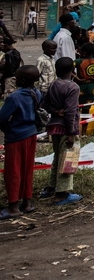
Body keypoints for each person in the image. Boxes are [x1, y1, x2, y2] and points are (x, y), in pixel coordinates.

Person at [0, 65, 42, 220]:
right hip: (31, 134)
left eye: (17, 77)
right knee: (27, 169)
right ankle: (27, 202)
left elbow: (2, 118)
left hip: (16, 137)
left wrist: (8, 129)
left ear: (22, 80)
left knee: (13, 171)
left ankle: (13, 207)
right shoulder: (36, 93)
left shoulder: (14, 97)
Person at [41, 57, 81, 206]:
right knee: (68, 159)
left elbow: (44, 103)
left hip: (54, 126)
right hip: (67, 129)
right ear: (73, 70)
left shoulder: (53, 84)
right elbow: (71, 112)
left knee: (58, 157)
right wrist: (71, 133)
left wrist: (56, 112)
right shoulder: (73, 87)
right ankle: (61, 194)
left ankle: (51, 187)